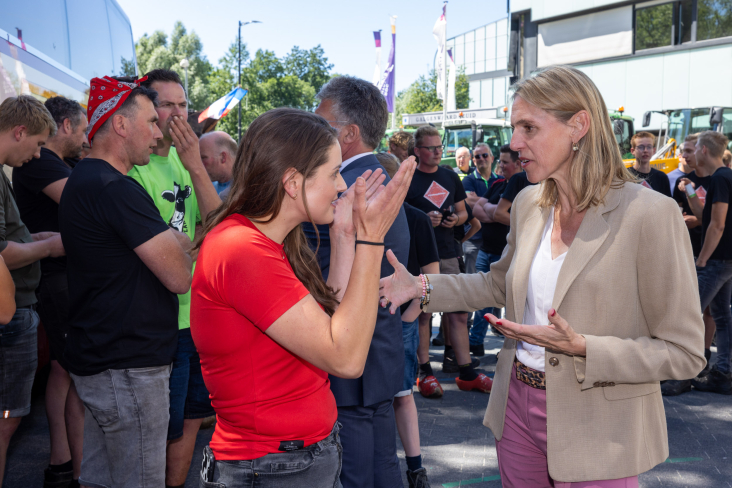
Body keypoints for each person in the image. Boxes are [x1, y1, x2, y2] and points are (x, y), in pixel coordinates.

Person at [379, 65, 706, 487]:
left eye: (528, 127)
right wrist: (420, 287)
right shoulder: (530, 202)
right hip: (516, 409)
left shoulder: (650, 214)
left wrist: (585, 348)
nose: (514, 144)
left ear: (578, 126)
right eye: (515, 128)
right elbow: (498, 284)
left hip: (600, 428)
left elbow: (685, 352)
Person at [191, 107, 416, 487]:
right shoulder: (242, 250)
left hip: (289, 458)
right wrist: (371, 240)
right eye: (332, 174)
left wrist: (345, 238)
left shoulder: (263, 240)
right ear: (293, 182)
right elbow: (344, 357)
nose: (342, 186)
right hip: (271, 465)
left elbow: (329, 323)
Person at [58, 76, 194, 488]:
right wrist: (178, 242)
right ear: (119, 125)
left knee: (101, 478)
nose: (158, 133)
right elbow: (178, 275)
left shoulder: (86, 180)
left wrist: (174, 241)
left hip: (105, 362)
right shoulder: (116, 188)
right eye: (151, 121)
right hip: (128, 369)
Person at [307, 75, 411, 488]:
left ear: (348, 134)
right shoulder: (376, 176)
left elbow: (320, 267)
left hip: (353, 347)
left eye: (321, 122)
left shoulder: (349, 186)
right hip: (378, 345)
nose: (313, 130)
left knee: (353, 470)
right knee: (382, 461)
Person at [128, 69, 222, 488]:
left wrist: (196, 170)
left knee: (192, 415)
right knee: (159, 427)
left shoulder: (186, 163)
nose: (177, 114)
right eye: (167, 105)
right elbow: (167, 247)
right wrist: (193, 243)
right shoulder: (135, 168)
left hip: (198, 316)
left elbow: (216, 226)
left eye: (183, 105)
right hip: (159, 319)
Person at [12, 95, 87, 488]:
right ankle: (71, 468)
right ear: (67, 125)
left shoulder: (57, 162)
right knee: (74, 370)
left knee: (63, 369)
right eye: (84, 128)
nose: (87, 137)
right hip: (54, 278)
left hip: (56, 276)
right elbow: (86, 204)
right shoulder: (41, 164)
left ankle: (64, 462)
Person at [0, 95, 60, 488]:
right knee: (6, 420)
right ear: (19, 131)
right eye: (37, 143)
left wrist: (31, 239)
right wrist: (51, 246)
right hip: (10, 314)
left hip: (16, 311)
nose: (37, 155)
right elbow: (3, 251)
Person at [406, 125, 493, 394]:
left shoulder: (449, 176)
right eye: (430, 148)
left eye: (439, 147)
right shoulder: (407, 178)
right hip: (419, 257)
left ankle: (466, 371)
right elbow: (397, 218)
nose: (436, 152)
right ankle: (424, 373)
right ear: (417, 151)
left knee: (458, 314)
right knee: (423, 315)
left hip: (449, 252)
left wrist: (456, 219)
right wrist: (422, 220)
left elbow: (464, 213)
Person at [379, 155, 438, 487]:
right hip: (372, 322)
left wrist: (408, 319)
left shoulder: (416, 219)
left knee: (402, 395)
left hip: (401, 321)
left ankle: (415, 468)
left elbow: (433, 277)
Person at [662, 133, 716, 397]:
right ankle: (699, 363)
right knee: (700, 308)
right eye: (683, 150)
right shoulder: (676, 180)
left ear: (702, 151)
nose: (685, 154)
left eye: (690, 150)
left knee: (703, 311)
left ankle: (694, 364)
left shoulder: (717, 178)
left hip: (708, 254)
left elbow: (709, 220)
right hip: (689, 250)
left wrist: (697, 222)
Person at [681, 131, 732, 394]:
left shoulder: (721, 178)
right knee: (722, 316)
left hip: (716, 259)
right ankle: (723, 373)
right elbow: (704, 215)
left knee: (688, 313)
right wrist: (690, 191)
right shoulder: (722, 178)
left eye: (695, 147)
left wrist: (702, 259)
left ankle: (681, 376)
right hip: (725, 260)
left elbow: (717, 224)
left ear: (703, 150)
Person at [469, 144, 522, 356]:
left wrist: (492, 211)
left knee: (511, 303)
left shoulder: (523, 185)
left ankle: (510, 351)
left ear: (517, 164)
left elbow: (493, 213)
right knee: (482, 299)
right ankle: (475, 343)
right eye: (499, 160)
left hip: (505, 254)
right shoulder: (499, 184)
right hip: (486, 251)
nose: (500, 165)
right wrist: (495, 212)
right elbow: (476, 210)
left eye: (505, 162)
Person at [462, 143, 495, 275]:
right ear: (473, 161)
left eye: (485, 155)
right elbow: (469, 201)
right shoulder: (467, 181)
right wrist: (495, 205)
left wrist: (479, 202)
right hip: (474, 240)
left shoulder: (500, 180)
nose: (481, 158)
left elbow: (507, 206)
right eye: (477, 156)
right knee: (472, 282)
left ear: (492, 158)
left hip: (496, 241)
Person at [628, 131, 671, 197]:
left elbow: (667, 203)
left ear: (654, 150)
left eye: (649, 147)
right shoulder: (625, 176)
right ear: (632, 151)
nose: (645, 150)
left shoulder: (661, 178)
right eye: (641, 147)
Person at [200, 131, 237, 195]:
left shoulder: (246, 191)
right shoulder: (204, 187)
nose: (199, 163)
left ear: (223, 157)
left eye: (203, 158)